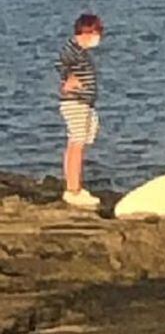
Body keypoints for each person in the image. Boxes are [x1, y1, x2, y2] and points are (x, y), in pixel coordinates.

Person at [56, 13, 105, 209]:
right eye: (96, 32)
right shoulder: (72, 49)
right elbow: (61, 63)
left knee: (81, 141)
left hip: (85, 103)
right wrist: (68, 78)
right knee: (76, 143)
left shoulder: (81, 52)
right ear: (86, 32)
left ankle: (75, 186)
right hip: (75, 102)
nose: (98, 37)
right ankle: (73, 189)